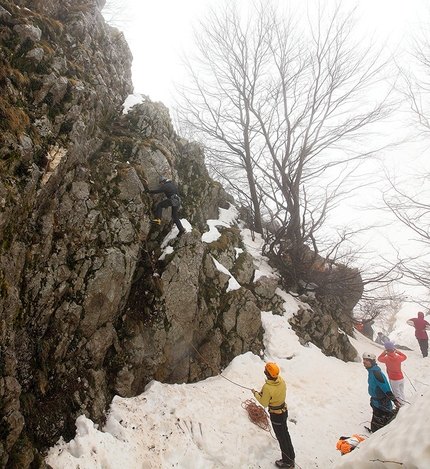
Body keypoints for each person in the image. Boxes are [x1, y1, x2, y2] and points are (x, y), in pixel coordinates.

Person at [252, 363, 295, 468]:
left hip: (276, 415)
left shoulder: (267, 387)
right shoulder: (281, 380)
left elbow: (264, 403)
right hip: (283, 411)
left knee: (281, 437)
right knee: (285, 433)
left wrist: (255, 394)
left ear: (267, 374)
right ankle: (291, 456)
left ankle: (287, 462)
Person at [362, 352, 401, 433]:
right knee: (376, 421)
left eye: (367, 360)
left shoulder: (377, 373)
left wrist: (394, 400)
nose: (364, 362)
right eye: (364, 360)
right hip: (376, 402)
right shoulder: (371, 372)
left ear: (372, 362)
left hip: (382, 403)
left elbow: (386, 388)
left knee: (382, 421)